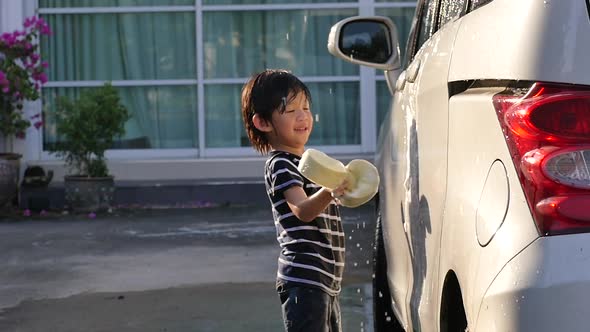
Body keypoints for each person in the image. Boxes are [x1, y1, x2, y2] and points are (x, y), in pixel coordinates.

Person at [241, 69, 348, 332]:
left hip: (326, 280)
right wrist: (329, 191)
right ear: (263, 123)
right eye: (290, 111)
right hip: (304, 279)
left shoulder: (307, 165)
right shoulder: (281, 164)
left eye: (306, 107)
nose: (303, 116)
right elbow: (302, 210)